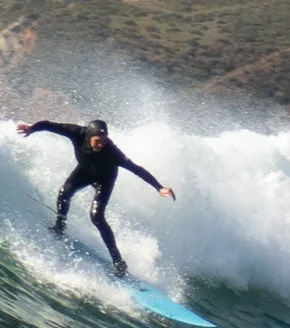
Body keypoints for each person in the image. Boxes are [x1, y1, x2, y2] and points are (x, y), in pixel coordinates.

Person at [15, 117, 174, 276]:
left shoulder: (113, 153)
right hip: (84, 172)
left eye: (104, 140)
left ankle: (118, 261)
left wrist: (159, 187)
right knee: (64, 194)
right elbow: (49, 125)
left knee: (97, 216)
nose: (101, 144)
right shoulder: (76, 133)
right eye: (98, 141)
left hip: (105, 179)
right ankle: (60, 226)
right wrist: (32, 129)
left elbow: (136, 169)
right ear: (89, 136)